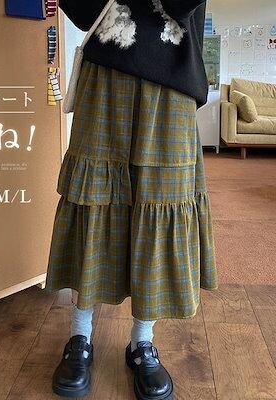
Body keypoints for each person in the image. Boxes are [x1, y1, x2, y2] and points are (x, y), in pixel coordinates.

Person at [44, 0, 218, 399]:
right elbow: (83, 10)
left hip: (172, 82)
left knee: (161, 203)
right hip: (105, 70)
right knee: (93, 202)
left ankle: (143, 341)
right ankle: (80, 335)